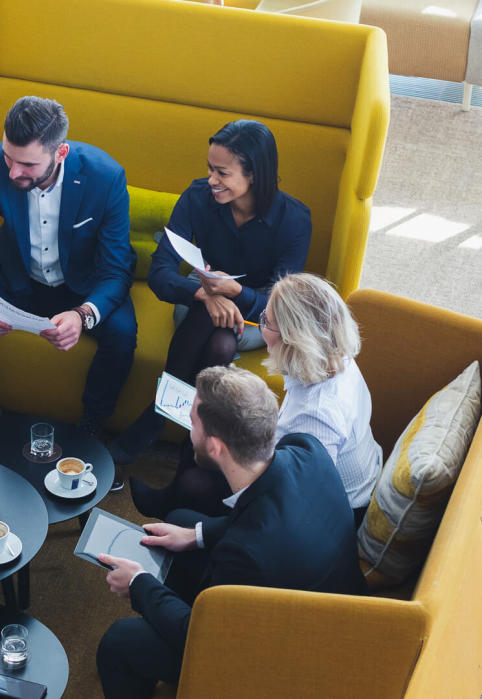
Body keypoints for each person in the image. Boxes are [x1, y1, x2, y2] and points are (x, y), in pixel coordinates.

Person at [94, 366, 365, 699]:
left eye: (192, 422)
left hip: (293, 656)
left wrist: (138, 583)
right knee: (182, 520)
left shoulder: (246, 556)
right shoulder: (306, 450)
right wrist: (196, 535)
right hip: (336, 603)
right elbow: (264, 510)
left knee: (120, 642)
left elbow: (200, 632)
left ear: (216, 446)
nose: (188, 430)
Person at [0, 95, 137, 448]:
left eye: (27, 164)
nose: (13, 171)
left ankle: (92, 424)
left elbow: (116, 271)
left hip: (80, 286)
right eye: (8, 157)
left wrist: (83, 315)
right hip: (17, 278)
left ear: (60, 153)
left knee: (122, 333)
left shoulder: (106, 176)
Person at [110, 120, 311, 465]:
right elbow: (160, 273)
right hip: (198, 295)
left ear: (255, 175)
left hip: (259, 313)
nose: (212, 180)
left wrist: (236, 292)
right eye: (210, 169)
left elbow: (283, 311)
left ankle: (158, 417)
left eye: (222, 173)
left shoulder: (294, 220)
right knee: (218, 339)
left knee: (222, 339)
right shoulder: (198, 197)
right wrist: (206, 295)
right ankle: (192, 459)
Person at [132, 274, 382, 524]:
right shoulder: (334, 356)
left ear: (293, 339)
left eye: (267, 321)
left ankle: (174, 509)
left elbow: (296, 498)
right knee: (211, 430)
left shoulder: (316, 416)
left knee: (197, 478)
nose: (260, 327)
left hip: (332, 510)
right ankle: (170, 499)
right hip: (330, 472)